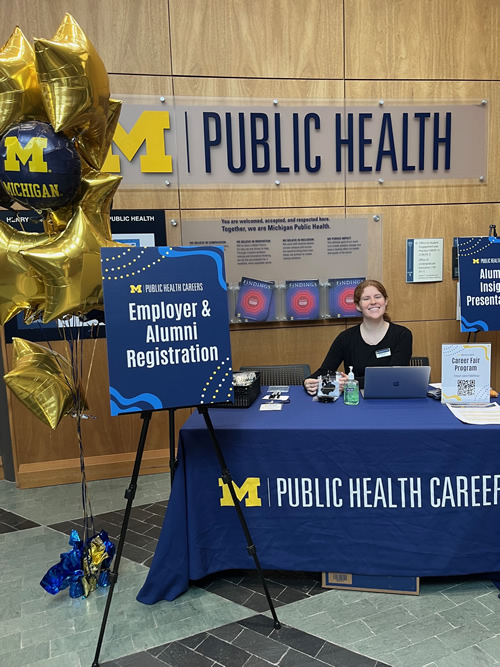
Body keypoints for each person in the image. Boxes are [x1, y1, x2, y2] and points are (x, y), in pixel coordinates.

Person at [304, 279, 412, 394]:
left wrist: (352, 382)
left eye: (378, 297)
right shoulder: (345, 338)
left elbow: (393, 377)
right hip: (355, 400)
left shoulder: (402, 335)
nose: (373, 302)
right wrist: (307, 382)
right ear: (358, 306)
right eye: (366, 298)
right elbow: (325, 371)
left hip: (391, 399)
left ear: (386, 301)